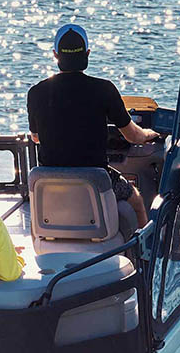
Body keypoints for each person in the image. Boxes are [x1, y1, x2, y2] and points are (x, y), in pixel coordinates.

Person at [26, 23, 158, 228]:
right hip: (95, 180)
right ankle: (144, 256)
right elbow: (133, 136)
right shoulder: (104, 89)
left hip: (50, 183)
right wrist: (148, 134)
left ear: (55, 55)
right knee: (138, 202)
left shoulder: (36, 92)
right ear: (87, 53)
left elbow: (36, 137)